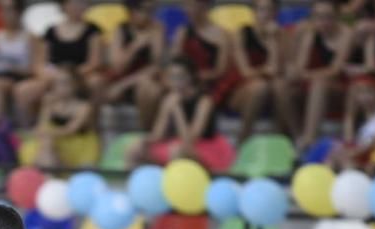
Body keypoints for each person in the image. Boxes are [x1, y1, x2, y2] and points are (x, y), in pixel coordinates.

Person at [14, 0, 105, 125]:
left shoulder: (93, 30)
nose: (78, 7)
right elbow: (39, 62)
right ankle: (32, 128)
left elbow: (95, 62)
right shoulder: (51, 31)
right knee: (23, 89)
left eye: (82, 3)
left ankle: (91, 125)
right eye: (74, 4)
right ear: (64, 6)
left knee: (96, 82)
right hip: (55, 74)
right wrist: (48, 75)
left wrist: (69, 75)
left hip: (80, 73)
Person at [127, 58, 226, 170]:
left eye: (179, 77)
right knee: (136, 148)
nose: (175, 81)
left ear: (191, 77)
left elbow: (190, 139)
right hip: (178, 144)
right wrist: (143, 141)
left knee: (177, 151)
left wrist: (177, 110)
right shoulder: (170, 98)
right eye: (171, 77)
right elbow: (158, 134)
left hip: (204, 148)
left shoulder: (204, 101)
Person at [284, 0, 356, 150]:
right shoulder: (310, 33)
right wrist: (296, 73)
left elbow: (335, 70)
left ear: (337, 16)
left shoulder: (346, 34)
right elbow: (300, 67)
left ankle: (310, 138)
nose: (323, 22)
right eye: (318, 17)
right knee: (285, 88)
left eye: (327, 17)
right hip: (312, 82)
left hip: (340, 86)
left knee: (320, 83)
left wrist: (307, 75)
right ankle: (296, 136)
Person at [105, 0, 165, 130]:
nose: (149, 15)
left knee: (149, 88)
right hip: (122, 78)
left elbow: (156, 66)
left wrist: (123, 85)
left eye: (151, 11)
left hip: (142, 80)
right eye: (144, 11)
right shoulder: (120, 29)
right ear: (131, 12)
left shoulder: (156, 28)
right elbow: (117, 67)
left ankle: (146, 132)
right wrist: (135, 46)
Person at [226, 0, 278, 143]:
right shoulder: (241, 33)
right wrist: (265, 71)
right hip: (240, 90)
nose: (265, 15)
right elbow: (245, 72)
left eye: (269, 10)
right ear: (253, 12)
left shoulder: (281, 36)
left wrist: (272, 42)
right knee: (259, 87)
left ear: (275, 13)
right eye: (261, 10)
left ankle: (282, 139)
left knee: (280, 88)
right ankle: (243, 138)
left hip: (271, 91)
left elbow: (276, 69)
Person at [0, 0, 35, 126]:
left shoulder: (30, 37)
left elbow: (34, 68)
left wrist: (10, 67)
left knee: (8, 86)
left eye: (10, 10)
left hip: (23, 77)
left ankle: (24, 127)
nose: (5, 14)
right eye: (2, 10)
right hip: (1, 77)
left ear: (19, 13)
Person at [32, 67, 97, 168]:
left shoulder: (84, 107)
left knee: (48, 142)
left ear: (76, 85)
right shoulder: (50, 102)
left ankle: (48, 173)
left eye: (65, 83)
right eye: (57, 83)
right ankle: (49, 172)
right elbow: (42, 124)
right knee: (46, 144)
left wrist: (49, 133)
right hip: (54, 141)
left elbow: (70, 130)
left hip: (76, 144)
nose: (61, 87)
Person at [329, 74, 375, 174]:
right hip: (360, 156)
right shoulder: (360, 118)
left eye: (369, 91)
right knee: (332, 156)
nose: (364, 97)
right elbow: (349, 141)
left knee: (345, 161)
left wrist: (355, 153)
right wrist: (349, 118)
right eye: (360, 92)